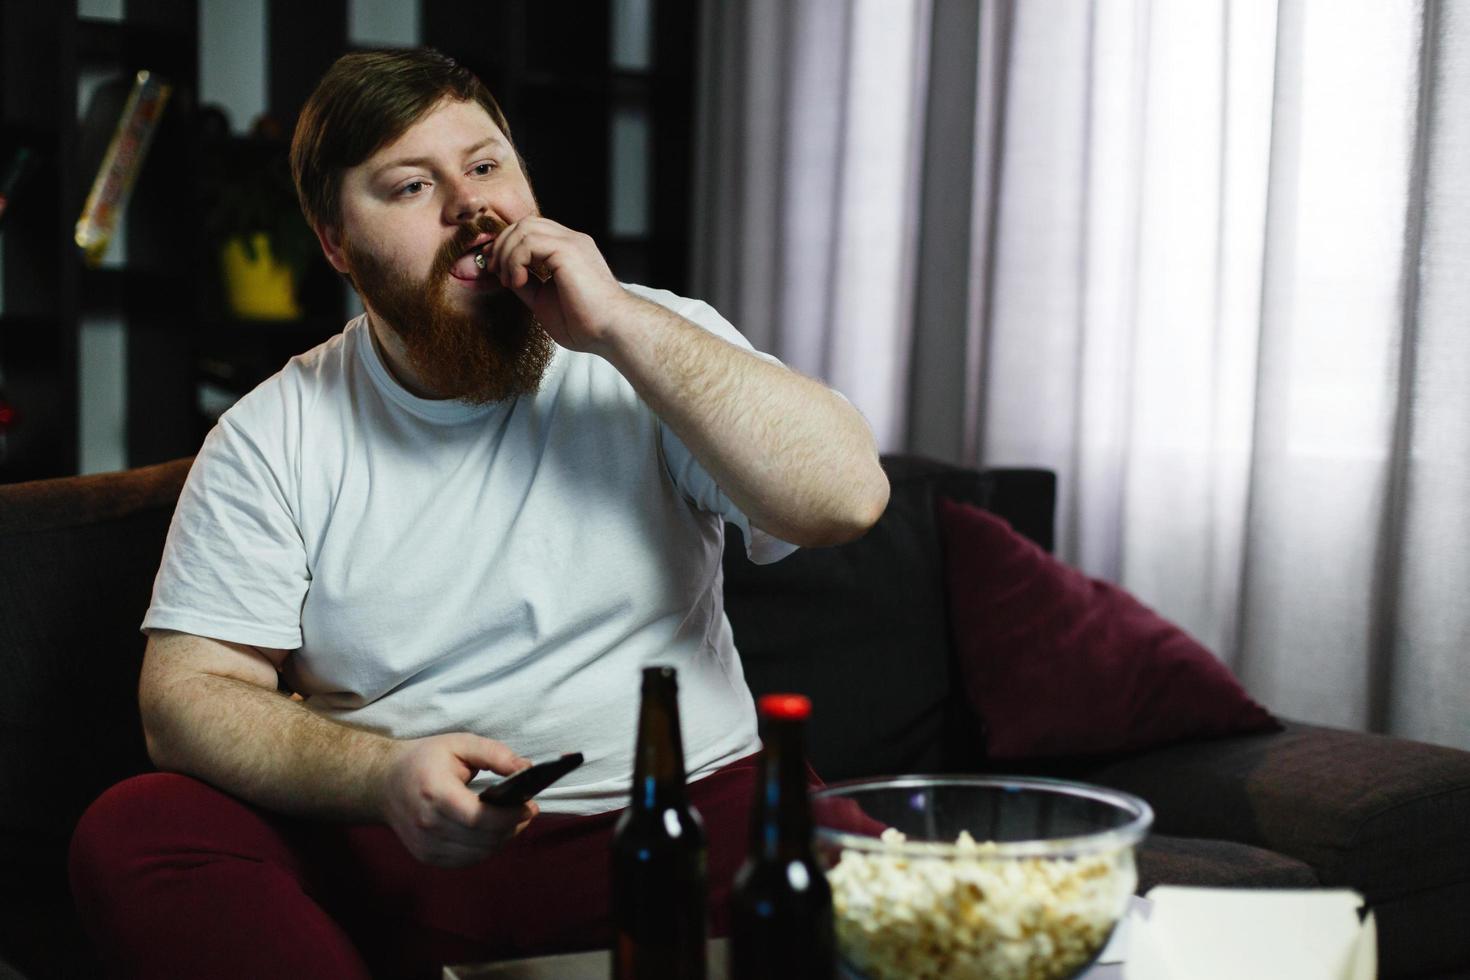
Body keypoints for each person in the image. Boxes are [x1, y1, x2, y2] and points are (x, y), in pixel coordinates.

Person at [67, 47, 888, 979]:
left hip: (695, 817)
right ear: (337, 244)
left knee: (916, 899)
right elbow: (185, 700)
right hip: (417, 855)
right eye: (412, 185)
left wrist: (619, 326)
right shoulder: (275, 434)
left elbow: (847, 498)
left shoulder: (647, 336)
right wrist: (379, 777)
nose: (472, 207)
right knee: (138, 830)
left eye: (488, 165)